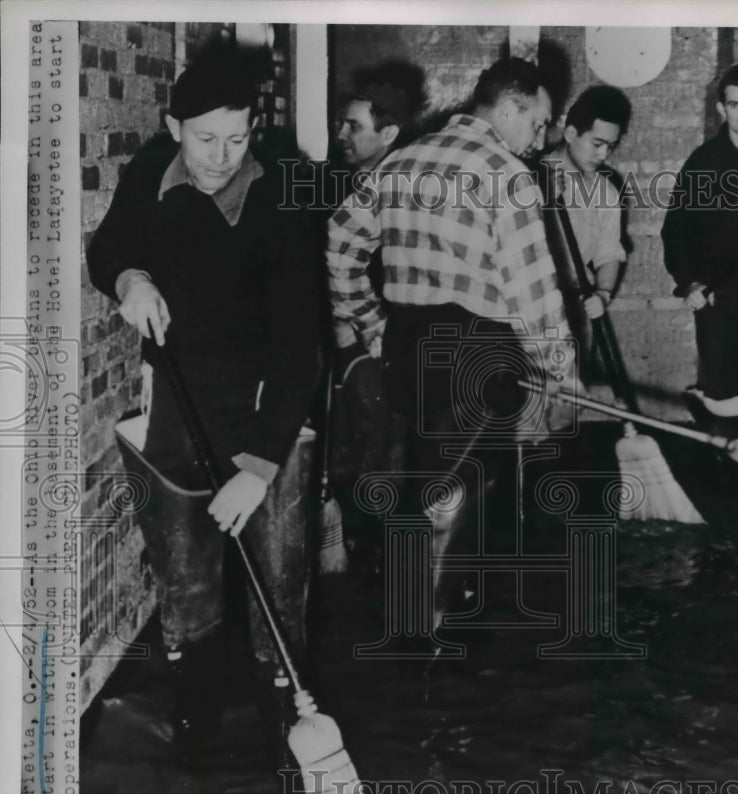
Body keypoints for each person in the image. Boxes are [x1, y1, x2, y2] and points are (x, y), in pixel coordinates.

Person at [87, 53, 321, 746]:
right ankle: (198, 727)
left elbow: (298, 345)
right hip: (180, 407)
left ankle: (286, 719)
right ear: (174, 127)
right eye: (204, 138)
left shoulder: (287, 193)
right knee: (185, 578)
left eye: (238, 138)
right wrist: (129, 279)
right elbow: (109, 246)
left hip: (271, 407)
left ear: (256, 129)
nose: (221, 156)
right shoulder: (148, 176)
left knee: (278, 577)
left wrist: (258, 465)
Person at [328, 57, 574, 630]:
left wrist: (372, 322)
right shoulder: (504, 173)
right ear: (508, 109)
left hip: (409, 346)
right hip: (476, 352)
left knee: (422, 477)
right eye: (537, 122)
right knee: (458, 493)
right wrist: (556, 374)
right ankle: (434, 641)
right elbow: (533, 293)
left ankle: (414, 621)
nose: (539, 137)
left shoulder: (401, 161)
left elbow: (339, 239)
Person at [330, 78, 416, 573]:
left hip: (386, 342)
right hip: (364, 339)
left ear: (388, 135)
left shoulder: (396, 186)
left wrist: (366, 325)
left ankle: (383, 552)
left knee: (383, 446)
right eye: (344, 122)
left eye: (354, 126)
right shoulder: (355, 182)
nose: (342, 133)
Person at [661, 62, 738, 435]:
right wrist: (690, 283)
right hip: (719, 298)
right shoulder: (703, 162)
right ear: (721, 108)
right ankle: (735, 480)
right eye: (735, 104)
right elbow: (677, 231)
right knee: (723, 394)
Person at [537, 86, 631, 373]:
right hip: (532, 306)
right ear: (570, 134)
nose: (603, 154)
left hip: (577, 306)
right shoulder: (529, 176)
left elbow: (609, 253)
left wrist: (602, 294)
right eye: (597, 143)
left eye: (611, 146)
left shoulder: (606, 191)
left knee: (569, 402)